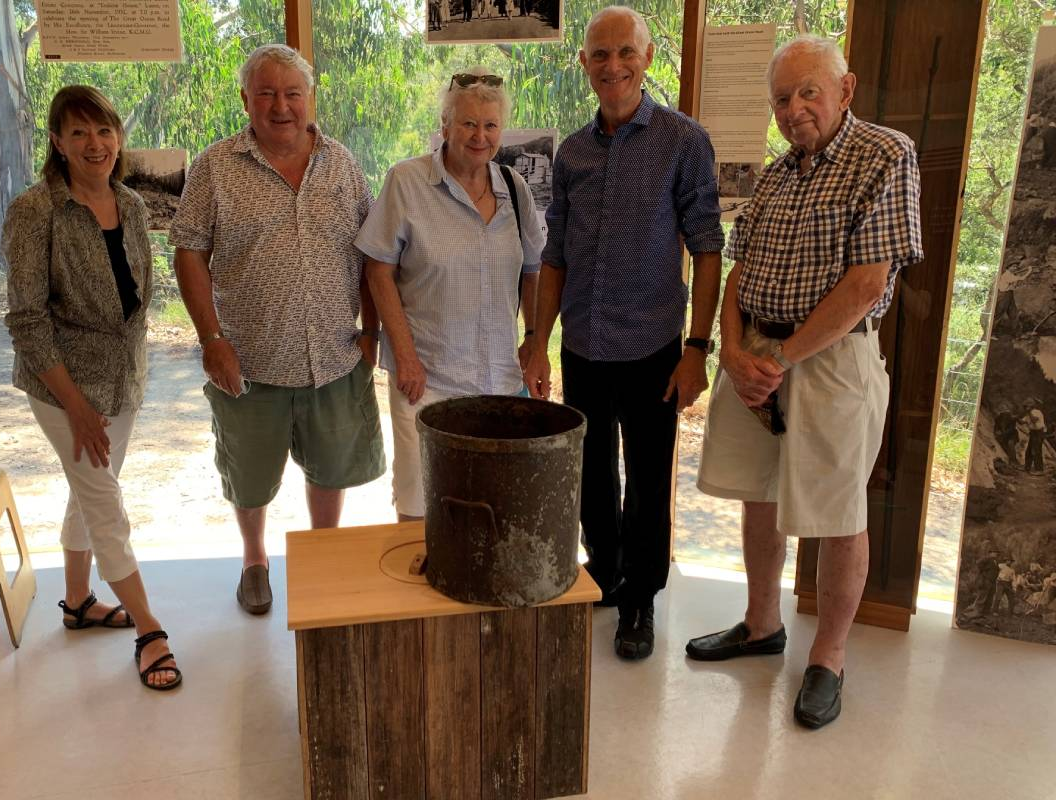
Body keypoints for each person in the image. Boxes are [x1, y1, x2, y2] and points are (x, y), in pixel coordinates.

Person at [684, 34, 924, 730]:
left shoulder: (885, 155)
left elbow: (867, 284)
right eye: (782, 99)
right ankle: (762, 625)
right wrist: (733, 352)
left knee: (839, 512)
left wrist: (782, 360)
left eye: (807, 92)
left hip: (828, 361)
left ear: (845, 90)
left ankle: (829, 657)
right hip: (756, 356)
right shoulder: (777, 176)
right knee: (758, 496)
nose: (794, 110)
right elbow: (739, 273)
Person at [524, 6, 724, 661]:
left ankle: (640, 595)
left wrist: (697, 349)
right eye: (601, 54)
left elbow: (707, 247)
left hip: (653, 347)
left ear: (647, 57)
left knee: (646, 476)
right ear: (584, 63)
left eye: (625, 52)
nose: (613, 65)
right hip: (582, 344)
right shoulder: (573, 153)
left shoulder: (683, 141)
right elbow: (555, 253)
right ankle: (606, 574)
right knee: (589, 472)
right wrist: (537, 339)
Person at [170, 45, 386, 616]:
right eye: (266, 93)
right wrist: (212, 340)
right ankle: (254, 560)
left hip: (334, 353)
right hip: (250, 360)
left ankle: (323, 551)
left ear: (310, 97)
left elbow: (371, 250)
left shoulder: (341, 163)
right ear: (246, 99)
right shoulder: (215, 167)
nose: (281, 106)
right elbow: (188, 252)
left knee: (331, 466)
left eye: (292, 93)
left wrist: (371, 331)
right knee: (249, 475)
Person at [3, 85, 181, 691]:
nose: (94, 143)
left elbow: (136, 298)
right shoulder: (36, 211)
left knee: (88, 491)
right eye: (78, 132)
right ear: (57, 142)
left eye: (104, 130)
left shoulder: (130, 203)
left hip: (123, 379)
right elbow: (26, 320)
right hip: (64, 386)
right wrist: (76, 406)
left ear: (118, 138)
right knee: (106, 503)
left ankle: (78, 602)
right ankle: (150, 631)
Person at [357, 69, 545, 522]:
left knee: (495, 505)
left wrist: (534, 340)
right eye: (468, 124)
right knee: (420, 507)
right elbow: (378, 270)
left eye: (490, 125)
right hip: (426, 380)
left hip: (499, 381)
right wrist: (405, 357)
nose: (480, 136)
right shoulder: (407, 182)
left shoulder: (514, 189)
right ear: (445, 126)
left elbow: (532, 269)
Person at [1024, 399, 1046, 474]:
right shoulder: (1028, 414)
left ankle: (1039, 470)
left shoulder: (1037, 412)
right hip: (1033, 433)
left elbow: (1034, 420)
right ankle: (1027, 467)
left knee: (1037, 451)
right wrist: (1014, 418)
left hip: (1039, 433)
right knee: (1029, 451)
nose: (1025, 408)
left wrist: (1029, 412)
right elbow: (1022, 422)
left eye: (1026, 406)